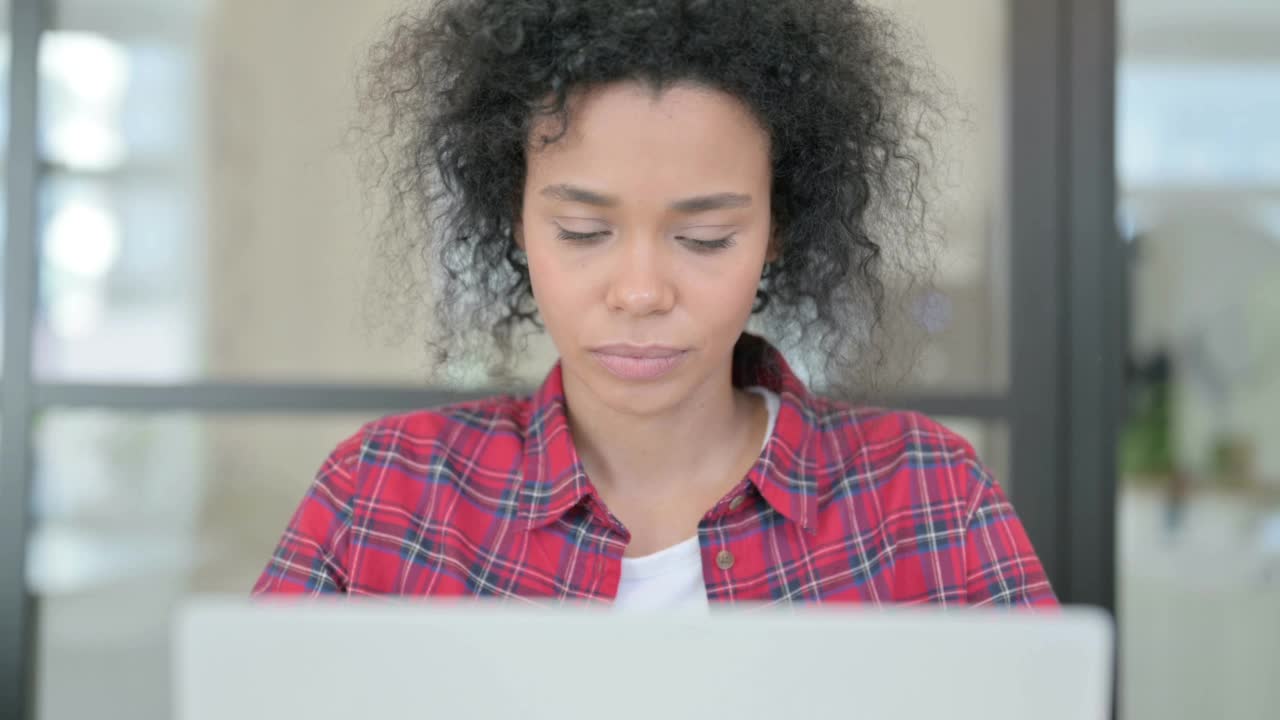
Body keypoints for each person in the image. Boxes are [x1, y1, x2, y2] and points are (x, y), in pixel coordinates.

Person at [253, 0, 1056, 607]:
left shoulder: (927, 497)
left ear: (778, 228)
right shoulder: (383, 495)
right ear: (516, 222)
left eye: (705, 238)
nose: (640, 292)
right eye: (580, 230)